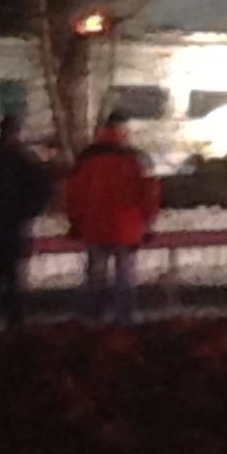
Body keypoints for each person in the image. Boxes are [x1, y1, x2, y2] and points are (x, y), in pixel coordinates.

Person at [61, 111, 162, 324]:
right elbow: (149, 193)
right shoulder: (138, 158)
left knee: (95, 275)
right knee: (124, 276)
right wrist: (148, 222)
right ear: (124, 129)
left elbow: (74, 192)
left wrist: (75, 221)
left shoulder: (87, 157)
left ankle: (92, 318)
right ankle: (124, 319)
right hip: (127, 226)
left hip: (94, 225)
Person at [0, 114, 50, 332]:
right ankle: (14, 322)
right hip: (15, 225)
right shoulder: (26, 159)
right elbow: (41, 191)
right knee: (13, 275)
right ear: (18, 132)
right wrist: (29, 213)